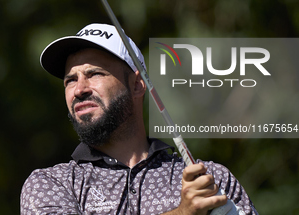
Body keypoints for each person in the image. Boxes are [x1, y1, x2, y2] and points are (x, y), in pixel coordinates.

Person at [21, 23, 258, 215]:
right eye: (70, 80)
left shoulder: (210, 181)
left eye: (94, 74)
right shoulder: (52, 184)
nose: (79, 89)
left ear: (136, 85)